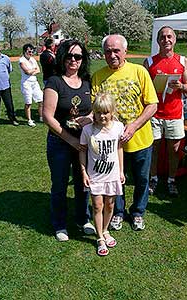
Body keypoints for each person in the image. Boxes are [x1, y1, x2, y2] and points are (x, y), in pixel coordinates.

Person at [91, 34, 158, 231]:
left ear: (125, 52)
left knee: (142, 179)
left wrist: (134, 125)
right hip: (111, 144)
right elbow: (94, 109)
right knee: (115, 179)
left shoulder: (139, 72)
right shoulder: (98, 76)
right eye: (108, 51)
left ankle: (137, 212)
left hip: (140, 139)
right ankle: (118, 212)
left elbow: (152, 105)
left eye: (116, 50)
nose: (112, 55)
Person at [43, 39, 96, 242]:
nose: (73, 60)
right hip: (60, 143)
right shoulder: (55, 81)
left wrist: (89, 118)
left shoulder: (87, 81)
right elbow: (48, 117)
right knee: (60, 184)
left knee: (83, 182)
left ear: (83, 59)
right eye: (69, 56)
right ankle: (59, 224)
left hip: (83, 142)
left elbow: (93, 109)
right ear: (63, 57)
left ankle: (83, 219)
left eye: (78, 56)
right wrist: (70, 140)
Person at [143, 26, 187, 196]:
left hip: (175, 113)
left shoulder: (182, 61)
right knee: (154, 148)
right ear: (158, 41)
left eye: (169, 36)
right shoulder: (149, 62)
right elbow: (144, 88)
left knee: (175, 149)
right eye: (163, 37)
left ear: (175, 39)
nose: (166, 40)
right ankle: (154, 178)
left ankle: (171, 180)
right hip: (154, 113)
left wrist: (180, 86)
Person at [79, 93, 125, 256]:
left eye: (105, 112)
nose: (102, 116)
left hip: (112, 175)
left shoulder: (119, 127)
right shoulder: (87, 130)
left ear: (112, 112)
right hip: (95, 176)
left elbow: (119, 149)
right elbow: (82, 151)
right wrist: (84, 172)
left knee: (110, 205)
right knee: (98, 206)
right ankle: (99, 237)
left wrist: (121, 171)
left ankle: (105, 230)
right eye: (98, 112)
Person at [0, 43, 19, 129]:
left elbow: (9, 69)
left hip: (5, 85)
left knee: (9, 104)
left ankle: (13, 119)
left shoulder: (6, 58)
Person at [19, 43, 43, 127]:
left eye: (32, 51)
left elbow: (39, 70)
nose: (31, 53)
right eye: (29, 51)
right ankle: (29, 120)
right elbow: (27, 72)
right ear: (25, 51)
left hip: (34, 82)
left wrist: (31, 71)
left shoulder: (33, 59)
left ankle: (41, 117)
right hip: (26, 84)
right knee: (28, 102)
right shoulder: (22, 60)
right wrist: (33, 70)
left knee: (41, 100)